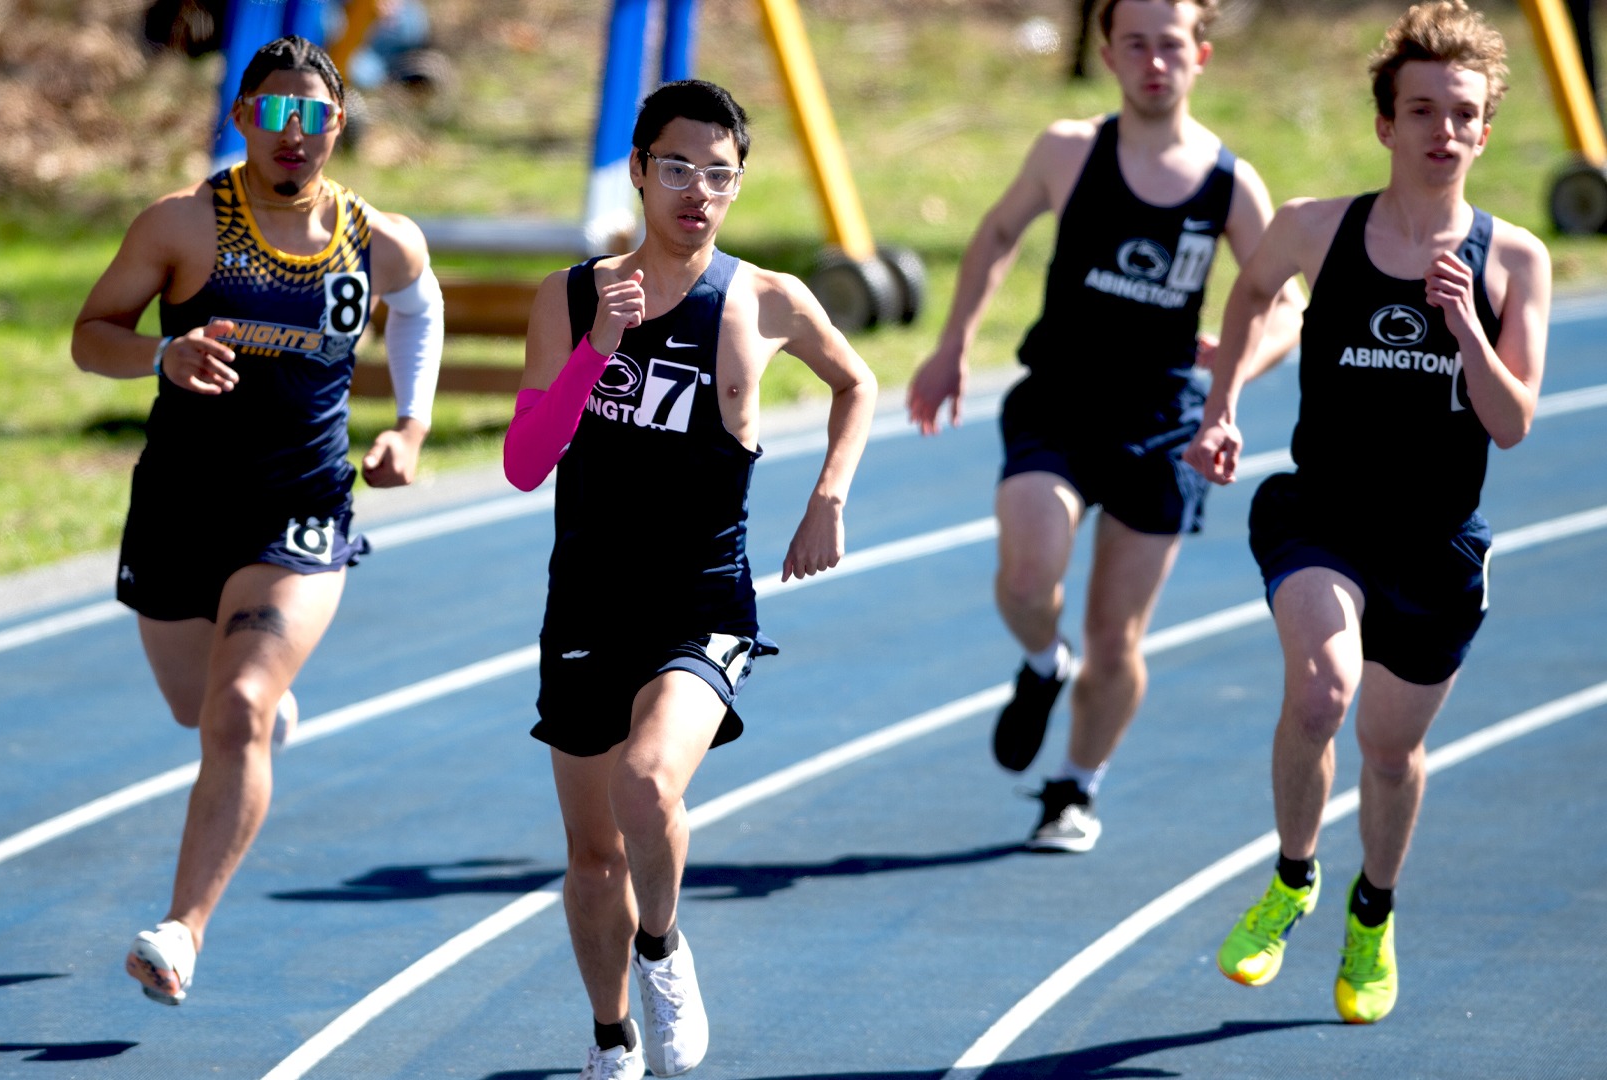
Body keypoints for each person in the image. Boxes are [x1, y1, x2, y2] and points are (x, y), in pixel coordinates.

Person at [1186, 0, 1549, 1025]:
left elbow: (1513, 423)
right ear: (1384, 124)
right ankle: (1293, 878)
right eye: (1421, 109)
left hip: (1437, 545)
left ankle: (1373, 910)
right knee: (1320, 692)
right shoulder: (1314, 227)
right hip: (1323, 517)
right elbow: (1253, 290)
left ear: (1485, 130)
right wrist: (1222, 409)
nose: (1442, 130)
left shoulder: (1513, 260)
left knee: (1391, 754)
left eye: (1463, 113)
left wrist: (1467, 328)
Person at [505, 80, 875, 1080]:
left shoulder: (764, 301)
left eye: (720, 175)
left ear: (738, 185)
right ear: (638, 170)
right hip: (586, 602)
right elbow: (526, 462)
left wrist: (828, 496)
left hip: (701, 602)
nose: (697, 193)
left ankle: (663, 949)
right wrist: (595, 355)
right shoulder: (571, 298)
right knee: (593, 860)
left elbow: (856, 383)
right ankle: (611, 1033)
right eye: (677, 169)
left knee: (645, 780)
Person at [71, 35, 442, 1005]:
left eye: (314, 115)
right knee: (200, 711)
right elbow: (89, 336)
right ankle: (259, 707)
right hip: (180, 508)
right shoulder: (183, 226)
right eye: (274, 113)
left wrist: (410, 422)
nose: (294, 133)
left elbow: (418, 308)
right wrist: (163, 354)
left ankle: (182, 929)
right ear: (241, 120)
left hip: (301, 509)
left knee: (236, 711)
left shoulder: (377, 235)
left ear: (338, 126)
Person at [906, 0, 1300, 853]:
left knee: (1117, 635)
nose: (1154, 62)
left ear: (1200, 54)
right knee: (1026, 572)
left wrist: (1229, 375)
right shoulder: (1068, 150)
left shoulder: (1230, 182)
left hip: (1163, 423)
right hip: (1059, 401)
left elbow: (1287, 305)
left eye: (1171, 46)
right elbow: (998, 231)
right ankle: (1042, 665)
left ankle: (1075, 788)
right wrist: (951, 347)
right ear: (1108, 54)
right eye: (1136, 45)